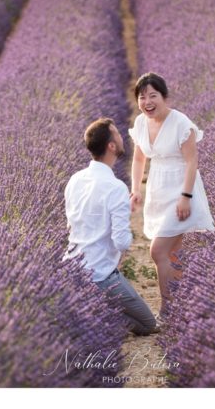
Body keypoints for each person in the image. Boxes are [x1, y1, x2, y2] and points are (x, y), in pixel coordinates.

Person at [128, 73, 214, 321]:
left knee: (158, 252)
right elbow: (138, 158)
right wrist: (135, 189)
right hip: (158, 188)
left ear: (164, 97)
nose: (147, 101)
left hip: (181, 190)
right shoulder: (142, 123)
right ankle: (185, 307)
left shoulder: (180, 123)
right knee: (174, 255)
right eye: (142, 97)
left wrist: (185, 196)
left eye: (152, 95)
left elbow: (192, 161)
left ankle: (167, 308)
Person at [63, 117, 157, 335]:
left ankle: (88, 311)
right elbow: (121, 242)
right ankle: (98, 313)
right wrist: (125, 216)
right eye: (116, 133)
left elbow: (72, 224)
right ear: (111, 146)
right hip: (102, 276)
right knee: (148, 325)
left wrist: (123, 206)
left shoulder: (75, 179)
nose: (121, 135)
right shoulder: (115, 188)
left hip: (70, 271)